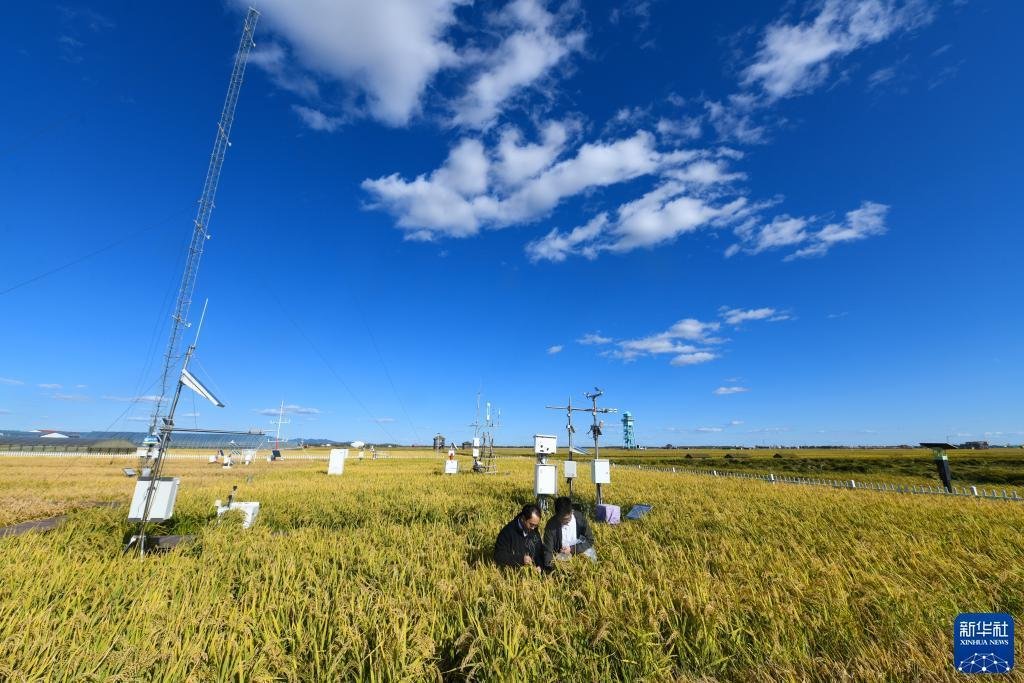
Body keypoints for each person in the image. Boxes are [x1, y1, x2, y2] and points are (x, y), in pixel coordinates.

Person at [494, 504, 551, 573]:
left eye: (536, 525)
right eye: (531, 524)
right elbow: (499, 555)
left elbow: (539, 551)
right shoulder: (507, 532)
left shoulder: (534, 530)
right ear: (523, 518)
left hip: (532, 574)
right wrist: (521, 559)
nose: (533, 528)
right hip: (513, 575)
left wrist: (540, 566)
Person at [543, 496, 597, 563]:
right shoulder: (551, 525)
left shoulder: (580, 519)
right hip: (560, 557)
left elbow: (590, 540)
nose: (566, 521)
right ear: (556, 515)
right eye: (562, 519)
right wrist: (549, 565)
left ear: (571, 511)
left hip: (579, 553)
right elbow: (548, 549)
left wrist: (572, 549)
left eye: (568, 518)